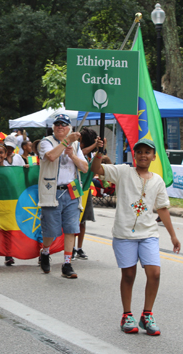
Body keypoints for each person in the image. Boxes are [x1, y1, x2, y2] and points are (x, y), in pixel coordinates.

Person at [92, 138, 180, 335]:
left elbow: (163, 209)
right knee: (129, 275)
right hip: (124, 234)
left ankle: (147, 314)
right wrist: (99, 151)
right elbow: (96, 169)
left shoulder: (157, 180)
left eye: (147, 152)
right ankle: (127, 315)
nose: (143, 155)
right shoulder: (123, 172)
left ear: (153, 156)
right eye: (139, 151)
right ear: (134, 155)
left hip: (148, 234)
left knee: (154, 273)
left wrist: (173, 236)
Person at [37, 114, 88, 279]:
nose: (60, 127)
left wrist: (72, 155)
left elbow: (85, 168)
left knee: (71, 228)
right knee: (51, 229)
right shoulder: (46, 142)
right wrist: (66, 142)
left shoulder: (75, 145)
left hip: (72, 190)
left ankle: (67, 263)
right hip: (52, 191)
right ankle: (45, 251)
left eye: (64, 124)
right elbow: (51, 156)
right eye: (57, 124)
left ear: (69, 128)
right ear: (53, 127)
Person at [73, 127, 101, 261]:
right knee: (73, 221)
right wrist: (95, 145)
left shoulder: (92, 155)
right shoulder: (79, 152)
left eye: (81, 141)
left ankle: (79, 248)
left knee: (82, 222)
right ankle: (71, 248)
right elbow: (82, 152)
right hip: (74, 190)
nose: (79, 142)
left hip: (86, 191)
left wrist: (100, 147)